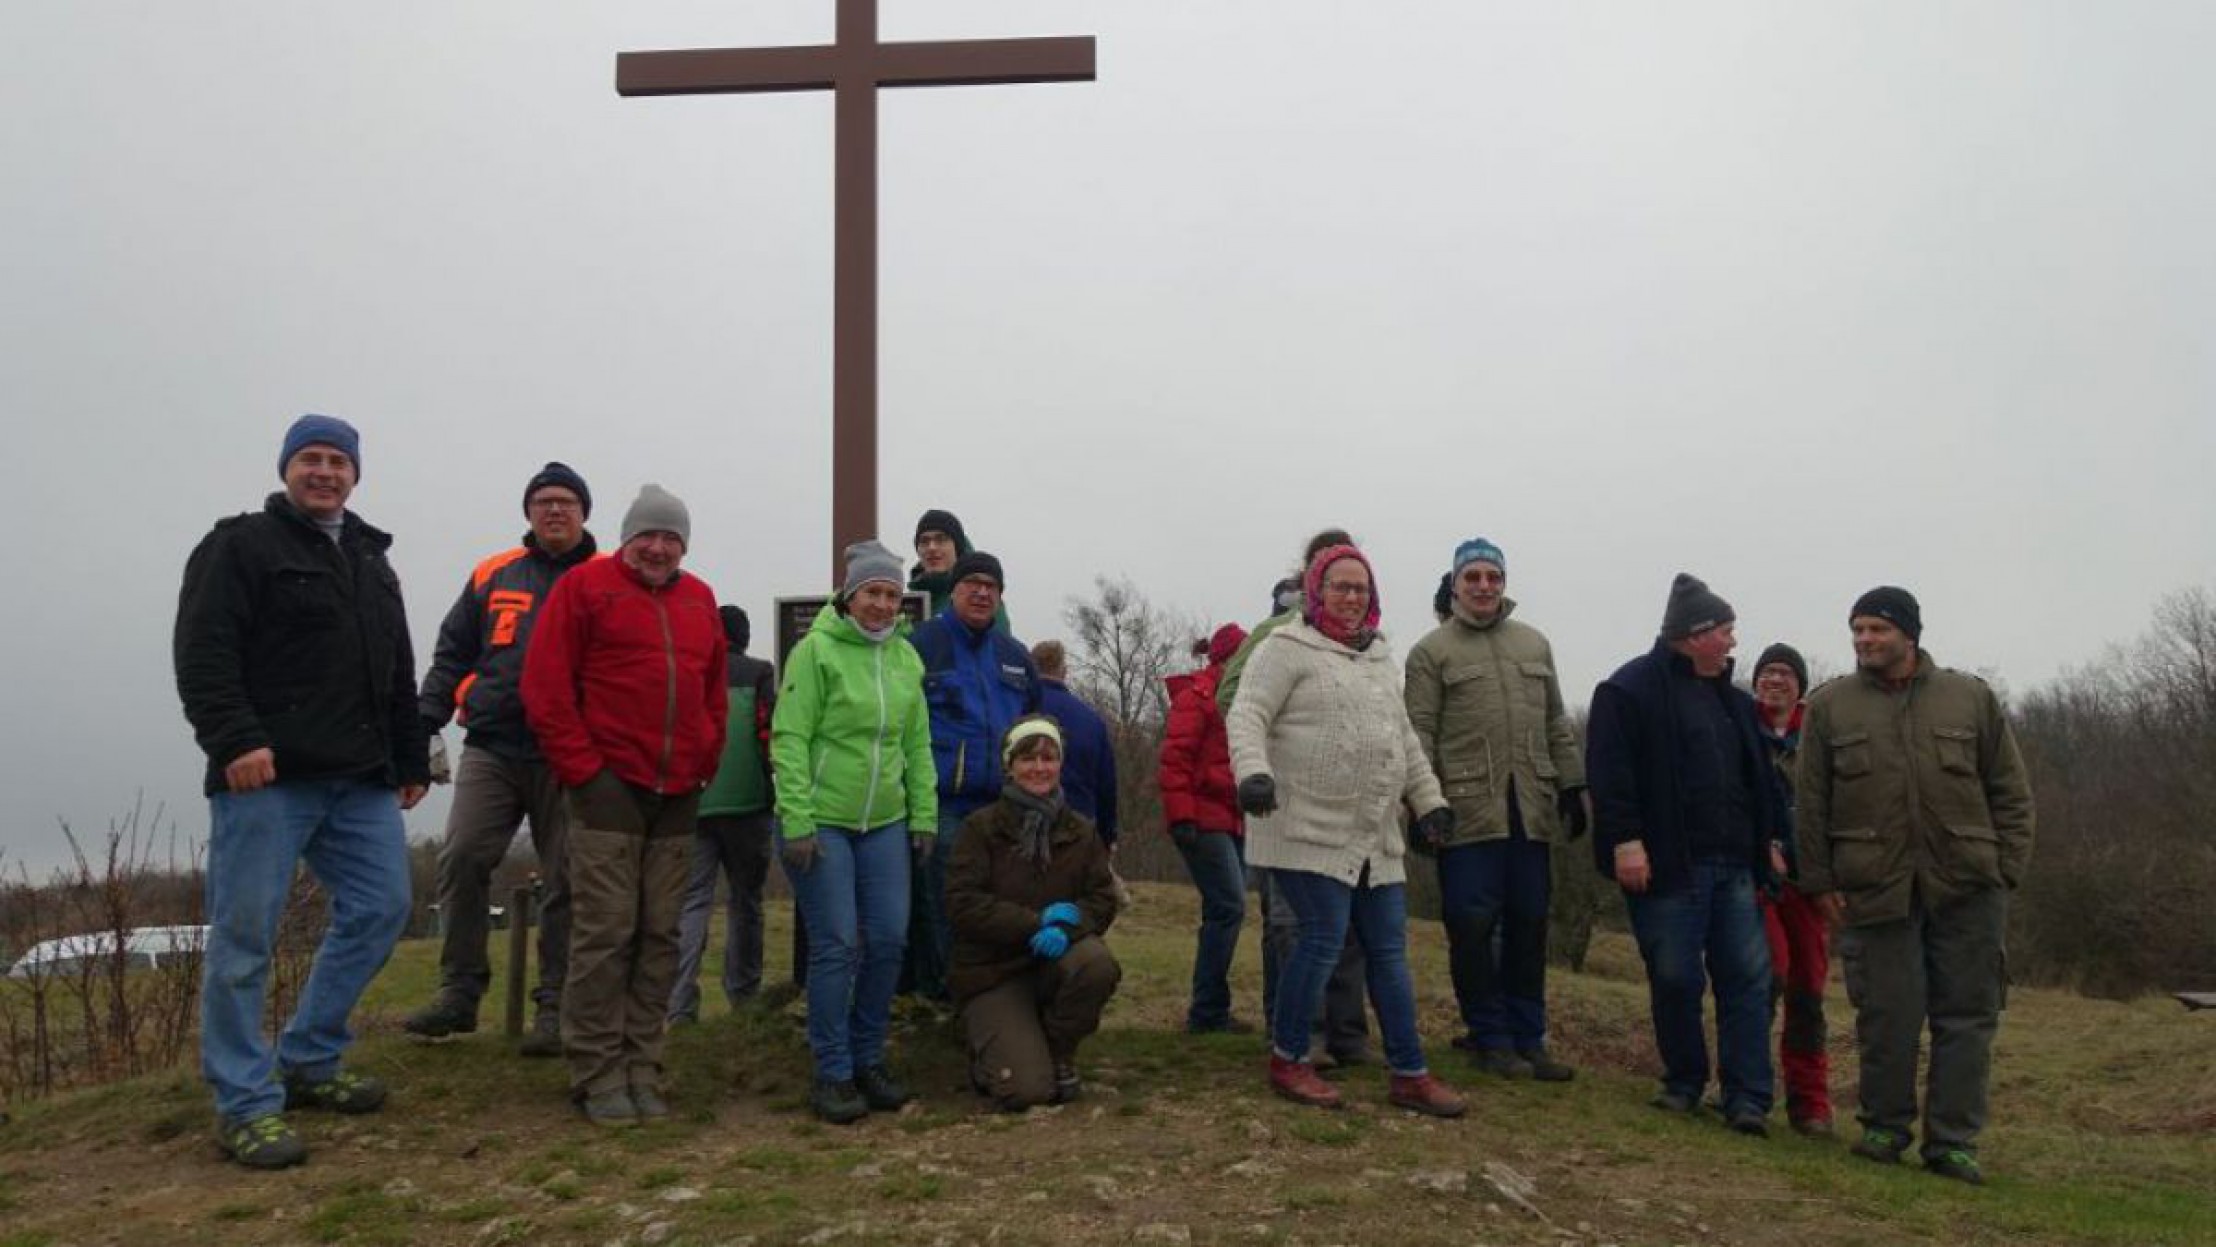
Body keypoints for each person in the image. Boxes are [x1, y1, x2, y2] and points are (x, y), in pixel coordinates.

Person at [174, 413, 429, 1168]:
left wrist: (410, 757)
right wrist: (234, 741)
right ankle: (243, 1102)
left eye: (338, 461)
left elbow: (397, 669)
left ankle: (310, 1056)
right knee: (245, 939)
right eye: (311, 459)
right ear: (287, 468)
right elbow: (202, 650)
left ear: (355, 474)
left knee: (383, 908)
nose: (324, 472)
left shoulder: (372, 559)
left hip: (360, 778)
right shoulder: (240, 545)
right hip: (267, 777)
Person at [1795, 588, 2035, 1185]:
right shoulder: (1830, 707)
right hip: (1874, 887)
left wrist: (2005, 869)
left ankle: (1953, 1143)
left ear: (1909, 634)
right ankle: (1884, 1128)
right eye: (1857, 629)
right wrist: (1819, 882)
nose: (1865, 640)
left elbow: (2010, 792)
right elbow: (1810, 806)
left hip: (1968, 887)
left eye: (1876, 628)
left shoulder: (1970, 697)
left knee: (1968, 1018)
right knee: (1887, 1016)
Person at [1226, 542, 1466, 1117]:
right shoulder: (1285, 648)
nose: (1352, 597)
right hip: (1303, 826)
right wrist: (1253, 773)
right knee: (1322, 937)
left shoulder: (1380, 659)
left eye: (1361, 588)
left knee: (1389, 951)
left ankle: (1409, 1073)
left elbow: (1403, 740)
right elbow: (1247, 713)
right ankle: (1289, 1058)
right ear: (1316, 591)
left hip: (1374, 835)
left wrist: (1429, 802)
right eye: (1340, 586)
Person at [520, 485, 727, 1127]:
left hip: (678, 792)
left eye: (671, 538)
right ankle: (596, 1069)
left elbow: (713, 693)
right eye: (648, 536)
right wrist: (586, 772)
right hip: (607, 788)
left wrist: (704, 761)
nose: (659, 548)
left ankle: (643, 1063)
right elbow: (545, 687)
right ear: (626, 539)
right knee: (606, 931)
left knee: (660, 933)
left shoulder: (700, 599)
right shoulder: (584, 588)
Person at [406, 461, 598, 1056]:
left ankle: (556, 1004)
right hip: (492, 743)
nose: (555, 510)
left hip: (570, 751)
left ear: (584, 512)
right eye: (544, 501)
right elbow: (452, 653)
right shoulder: (493, 573)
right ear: (529, 512)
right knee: (462, 855)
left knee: (570, 875)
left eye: (566, 501)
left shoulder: (605, 576)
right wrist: (423, 723)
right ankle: (459, 991)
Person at [1586, 573, 1785, 1136]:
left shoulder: (1736, 703)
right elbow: (1610, 775)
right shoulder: (1628, 691)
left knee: (1748, 980)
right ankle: (1684, 1081)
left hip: (1736, 867)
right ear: (1695, 635)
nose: (1732, 642)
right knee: (1676, 978)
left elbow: (1761, 782)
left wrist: (1772, 841)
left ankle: (1748, 1098)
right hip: (1669, 866)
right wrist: (1625, 841)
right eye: (1725, 631)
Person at [1404, 537, 1586, 1081]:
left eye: (1493, 577)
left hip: (1530, 810)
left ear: (1504, 583)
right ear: (1456, 584)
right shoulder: (1431, 652)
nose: (1484, 587)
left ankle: (1530, 1038)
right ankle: (1489, 1036)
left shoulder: (1534, 644)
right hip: (1464, 815)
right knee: (1471, 925)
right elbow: (1418, 733)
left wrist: (1573, 785)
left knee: (1530, 925)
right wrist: (1422, 805)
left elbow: (1555, 721)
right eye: (1473, 577)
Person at [771, 540, 938, 1124]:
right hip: (822, 821)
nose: (883, 605)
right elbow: (790, 738)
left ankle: (869, 1057)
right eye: (873, 593)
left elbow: (917, 744)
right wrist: (796, 818)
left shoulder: (906, 658)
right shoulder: (815, 652)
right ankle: (833, 1069)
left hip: (886, 822)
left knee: (889, 940)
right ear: (849, 595)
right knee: (838, 944)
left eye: (893, 595)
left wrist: (924, 814)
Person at [1221, 530, 1373, 1067]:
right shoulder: (1275, 634)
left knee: (1348, 924)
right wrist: (1267, 759)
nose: (1347, 592)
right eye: (1333, 576)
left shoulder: (1365, 643)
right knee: (1290, 924)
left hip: (1347, 809)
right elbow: (1232, 698)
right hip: (1284, 805)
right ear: (1313, 575)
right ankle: (1296, 1033)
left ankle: (1348, 1033)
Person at [947, 718, 1122, 1110]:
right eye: (1027, 758)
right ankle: (988, 1046)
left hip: (1053, 965)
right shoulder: (980, 829)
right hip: (991, 973)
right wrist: (1035, 921)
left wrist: (1066, 925)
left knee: (1096, 964)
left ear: (1060, 763)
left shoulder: (1081, 831)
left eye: (1049, 758)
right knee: (1027, 1092)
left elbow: (1102, 898)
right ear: (1009, 765)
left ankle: (1059, 1052)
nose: (1039, 768)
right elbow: (963, 904)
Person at [906, 551, 1042, 1001]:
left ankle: (995, 997)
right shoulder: (922, 646)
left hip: (1004, 807)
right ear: (955, 591)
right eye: (973, 584)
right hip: (942, 805)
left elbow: (1034, 725)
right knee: (945, 905)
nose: (982, 592)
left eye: (991, 586)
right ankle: (944, 999)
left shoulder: (1014, 656)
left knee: (1001, 902)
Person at [668, 605, 779, 1023]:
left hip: (694, 803)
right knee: (746, 901)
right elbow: (769, 735)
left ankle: (680, 1005)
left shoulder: (690, 673)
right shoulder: (761, 673)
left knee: (691, 902)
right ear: (744, 636)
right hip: (749, 806)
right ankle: (743, 997)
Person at [1749, 641, 1833, 1137]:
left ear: (1800, 686)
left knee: (1808, 990)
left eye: (1785, 673)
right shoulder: (1740, 729)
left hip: (1811, 881)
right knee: (1766, 974)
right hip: (1758, 879)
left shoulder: (1820, 736)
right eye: (1767, 672)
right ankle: (1746, 1083)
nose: (1775, 680)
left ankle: (1810, 1102)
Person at [1158, 623, 1253, 1034]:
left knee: (1223, 909)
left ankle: (1209, 1008)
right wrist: (1182, 816)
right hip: (1204, 816)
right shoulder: (1197, 697)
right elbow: (1176, 757)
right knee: (1229, 906)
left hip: (1233, 817)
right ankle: (1207, 1009)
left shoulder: (1242, 699)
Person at [1030, 640, 1118, 848]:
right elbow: (1106, 785)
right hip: (1079, 825)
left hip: (1026, 823)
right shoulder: (1091, 720)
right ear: (1064, 670)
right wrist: (1108, 835)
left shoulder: (1020, 707)